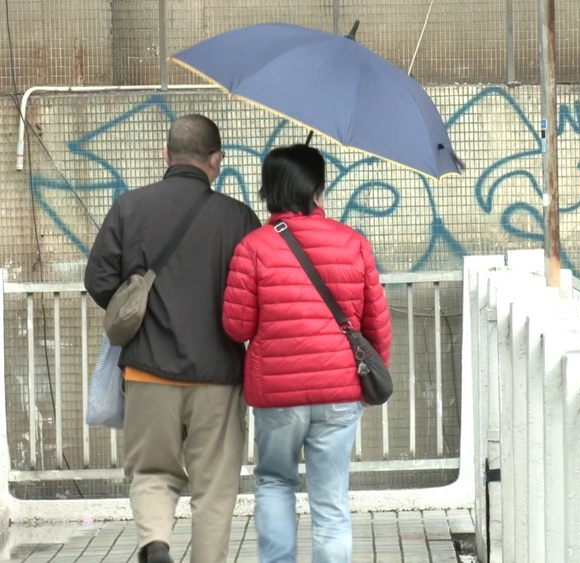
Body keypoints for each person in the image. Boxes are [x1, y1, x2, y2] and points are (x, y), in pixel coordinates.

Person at [84, 114, 261, 563]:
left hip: (147, 372)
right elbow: (259, 293)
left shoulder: (129, 207)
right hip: (218, 378)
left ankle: (156, 543)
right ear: (216, 161)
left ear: (166, 155)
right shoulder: (238, 216)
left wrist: (138, 303)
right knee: (215, 487)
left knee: (150, 473)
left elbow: (99, 281)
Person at [222, 144, 391, 562]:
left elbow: (236, 326)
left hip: (278, 396)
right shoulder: (353, 243)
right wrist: (364, 386)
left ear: (269, 190)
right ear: (317, 188)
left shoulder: (253, 247)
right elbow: (376, 326)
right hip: (339, 392)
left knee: (276, 483)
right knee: (331, 501)